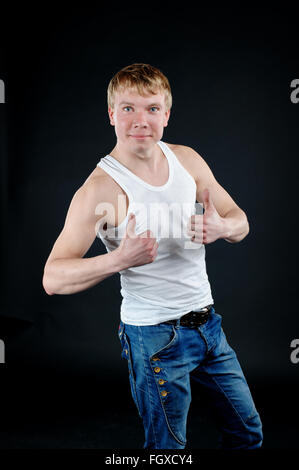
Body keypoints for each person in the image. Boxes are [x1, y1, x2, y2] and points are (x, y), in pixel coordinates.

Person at [42, 63, 263, 450]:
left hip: (209, 326)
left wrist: (222, 229)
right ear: (111, 114)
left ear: (167, 114)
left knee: (247, 434)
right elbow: (53, 279)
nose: (140, 120)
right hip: (154, 337)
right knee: (167, 451)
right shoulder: (100, 189)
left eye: (152, 108)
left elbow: (240, 221)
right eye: (127, 108)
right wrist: (119, 259)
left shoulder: (187, 161)